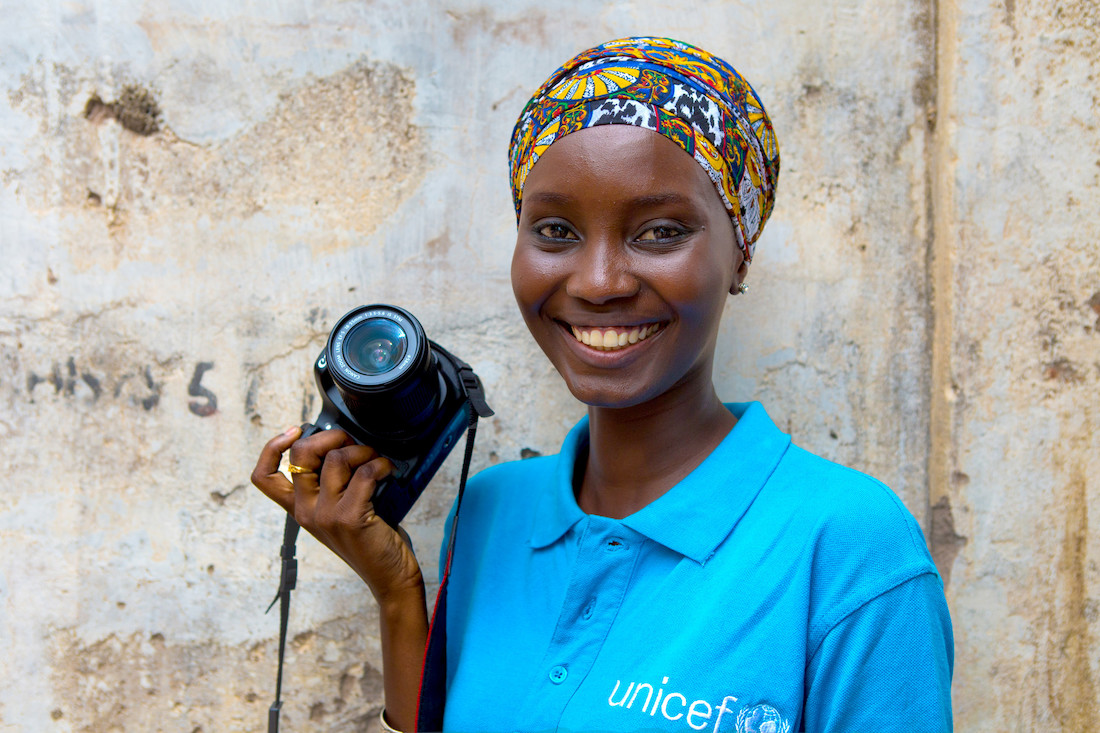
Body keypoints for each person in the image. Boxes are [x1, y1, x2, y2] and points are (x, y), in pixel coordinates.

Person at [252, 37, 953, 733]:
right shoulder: (493, 511)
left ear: (739, 253)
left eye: (657, 232)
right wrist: (399, 595)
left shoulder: (851, 547)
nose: (597, 282)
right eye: (555, 229)